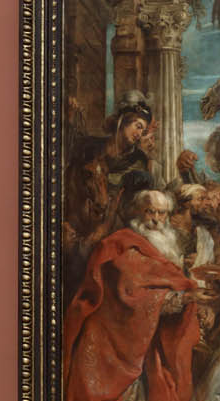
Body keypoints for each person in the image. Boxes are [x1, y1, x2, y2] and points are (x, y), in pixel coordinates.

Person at [62, 189, 199, 401]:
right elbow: (131, 297)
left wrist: (187, 298)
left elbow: (164, 291)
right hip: (109, 350)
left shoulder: (159, 250)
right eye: (150, 212)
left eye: (162, 214)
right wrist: (178, 299)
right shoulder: (122, 247)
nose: (157, 220)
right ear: (137, 213)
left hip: (144, 350)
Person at [63, 90, 158, 296]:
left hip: (114, 224)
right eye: (137, 126)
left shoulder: (138, 160)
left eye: (143, 130)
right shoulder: (90, 146)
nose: (139, 133)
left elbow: (135, 202)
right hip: (78, 218)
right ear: (123, 121)